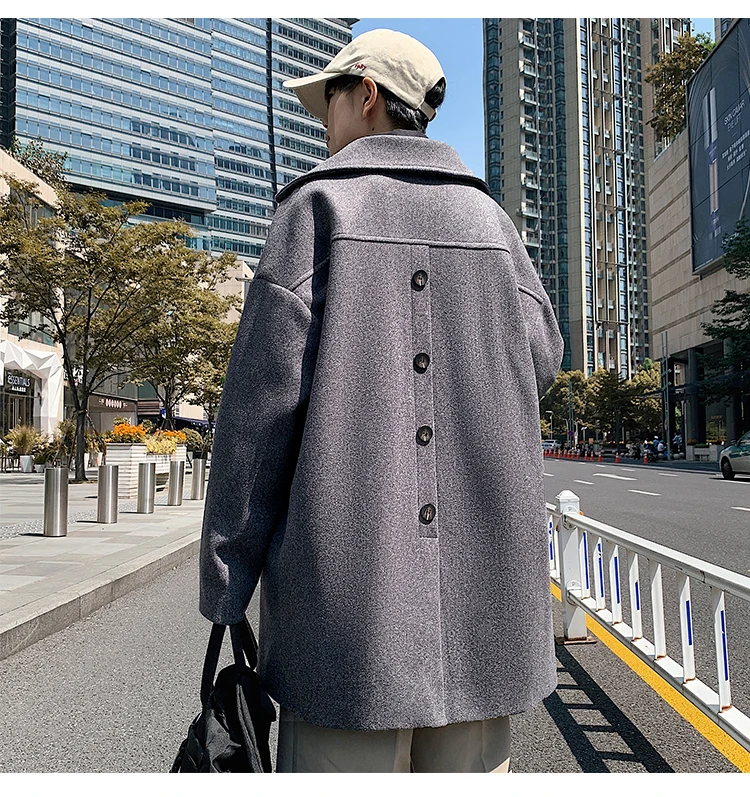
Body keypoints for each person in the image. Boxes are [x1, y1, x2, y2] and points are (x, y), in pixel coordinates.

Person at [198, 28, 564, 774]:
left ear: (365, 94)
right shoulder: (493, 223)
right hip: (487, 619)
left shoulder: (316, 211)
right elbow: (543, 359)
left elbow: (257, 422)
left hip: (346, 624)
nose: (322, 126)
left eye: (327, 103)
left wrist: (226, 580)